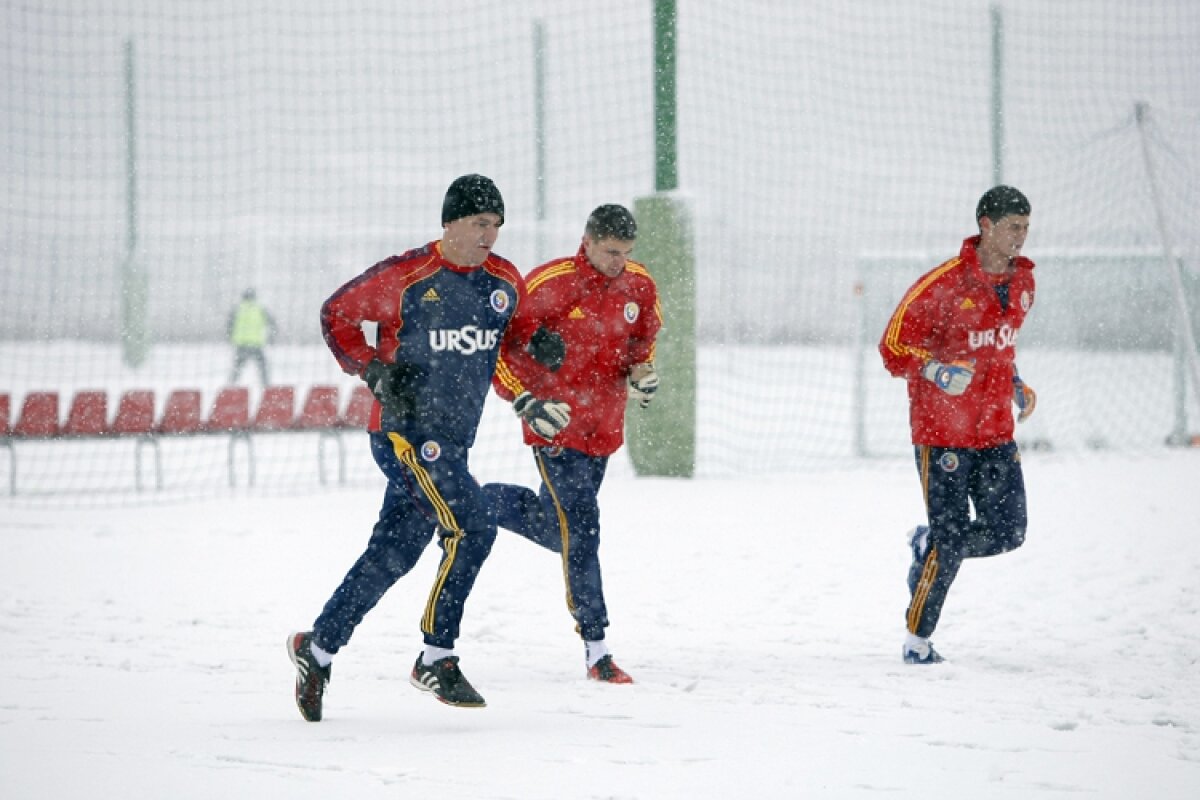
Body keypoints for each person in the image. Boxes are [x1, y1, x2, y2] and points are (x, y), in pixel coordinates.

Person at [286, 174, 572, 719]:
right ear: (451, 222)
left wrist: (538, 346)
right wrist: (372, 370)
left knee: (392, 554)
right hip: (404, 435)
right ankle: (436, 657)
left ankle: (316, 649)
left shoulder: (503, 280)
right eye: (480, 223)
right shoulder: (407, 275)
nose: (490, 234)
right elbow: (337, 315)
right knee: (474, 526)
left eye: (496, 225)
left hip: (453, 444)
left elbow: (510, 336)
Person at [484, 204, 661, 683]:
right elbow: (498, 349)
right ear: (586, 240)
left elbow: (642, 344)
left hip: (603, 428)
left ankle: (475, 502)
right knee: (582, 526)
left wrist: (642, 372)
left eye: (625, 253)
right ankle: (596, 646)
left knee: (555, 527)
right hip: (555, 427)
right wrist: (525, 398)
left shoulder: (639, 285)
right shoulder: (548, 283)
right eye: (609, 252)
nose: (618, 262)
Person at [879, 185, 1037, 665]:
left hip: (994, 431)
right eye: (1013, 227)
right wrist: (935, 371)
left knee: (1009, 531)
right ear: (985, 226)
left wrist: (1015, 383)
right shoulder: (942, 285)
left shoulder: (1025, 283)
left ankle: (929, 545)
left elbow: (997, 348)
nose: (1021, 237)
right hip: (941, 432)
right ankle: (917, 642)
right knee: (951, 540)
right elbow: (892, 348)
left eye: (1026, 227)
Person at [227, 288, 277, 385]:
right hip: (256, 344)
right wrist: (271, 338)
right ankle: (267, 388)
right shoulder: (260, 308)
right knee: (263, 369)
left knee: (236, 369)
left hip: (241, 344)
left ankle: (230, 388)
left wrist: (229, 338)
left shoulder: (237, 309)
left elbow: (229, 325)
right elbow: (272, 323)